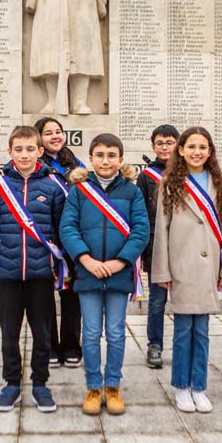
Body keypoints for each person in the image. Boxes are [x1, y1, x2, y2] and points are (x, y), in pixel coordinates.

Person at [60, 133, 149, 416]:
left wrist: (120, 262)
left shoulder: (132, 193)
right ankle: (93, 386)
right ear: (90, 159)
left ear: (121, 160)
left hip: (118, 274)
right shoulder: (78, 191)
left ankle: (113, 385)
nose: (106, 160)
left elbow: (140, 230)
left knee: (115, 332)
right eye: (99, 155)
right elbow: (68, 228)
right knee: (90, 332)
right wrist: (85, 259)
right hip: (88, 273)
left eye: (112, 155)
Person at [151, 127, 222, 413]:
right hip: (181, 266)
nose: (197, 152)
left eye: (203, 147)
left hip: (209, 267)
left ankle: (199, 386)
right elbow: (161, 230)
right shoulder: (170, 183)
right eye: (191, 147)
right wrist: (161, 272)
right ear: (180, 150)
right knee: (182, 331)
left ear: (210, 152)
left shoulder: (218, 183)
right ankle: (181, 387)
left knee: (202, 331)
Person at [0, 126, 66, 413]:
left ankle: (40, 383)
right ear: (10, 152)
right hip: (8, 274)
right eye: (18, 149)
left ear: (40, 151)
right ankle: (11, 383)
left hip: (41, 274)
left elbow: (59, 228)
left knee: (42, 332)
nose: (24, 154)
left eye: (30, 149)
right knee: (9, 332)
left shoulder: (53, 187)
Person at [34, 117, 85, 368]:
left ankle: (72, 346)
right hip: (45, 239)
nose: (55, 136)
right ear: (39, 139)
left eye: (59, 131)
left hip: (72, 238)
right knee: (44, 296)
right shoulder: (33, 166)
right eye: (48, 133)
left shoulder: (77, 165)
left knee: (72, 295)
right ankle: (50, 347)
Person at [137, 123, 179, 369]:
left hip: (184, 246)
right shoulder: (146, 176)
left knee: (184, 299)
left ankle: (183, 345)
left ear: (177, 145)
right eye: (160, 143)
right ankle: (155, 345)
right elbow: (140, 215)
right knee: (157, 300)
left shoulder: (188, 174)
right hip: (156, 246)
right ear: (153, 146)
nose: (164, 147)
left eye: (169, 142)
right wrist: (144, 250)